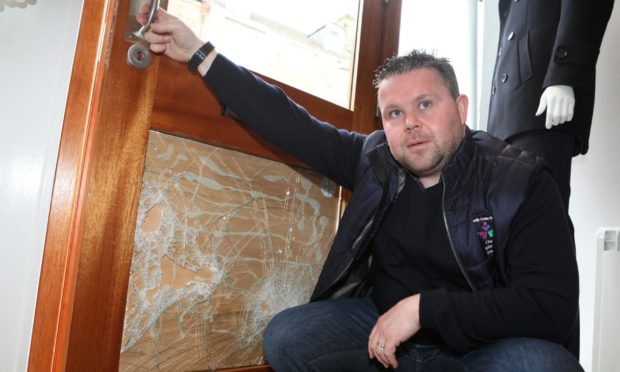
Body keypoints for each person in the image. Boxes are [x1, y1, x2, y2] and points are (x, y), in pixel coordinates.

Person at [138, 7, 582, 371]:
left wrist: (423, 310)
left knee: (541, 364)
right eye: (393, 113)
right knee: (288, 336)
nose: (410, 123)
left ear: (460, 108)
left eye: (425, 104)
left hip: (480, 348)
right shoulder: (373, 160)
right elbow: (288, 121)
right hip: (384, 339)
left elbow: (550, 308)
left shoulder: (519, 181)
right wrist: (200, 53)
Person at [487, 0, 614, 213]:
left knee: (541, 220)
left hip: (538, 101)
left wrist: (563, 75)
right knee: (517, 223)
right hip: (510, 112)